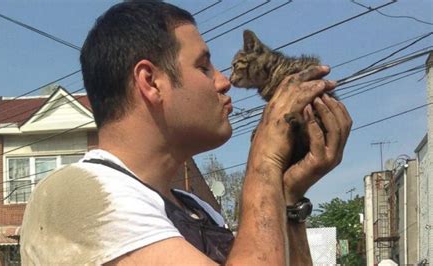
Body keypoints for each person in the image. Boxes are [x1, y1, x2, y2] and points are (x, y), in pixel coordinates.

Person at [20, 1, 352, 265]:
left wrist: (289, 197)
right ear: (150, 82)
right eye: (204, 66)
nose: (223, 82)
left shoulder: (195, 207)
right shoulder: (77, 194)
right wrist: (264, 158)